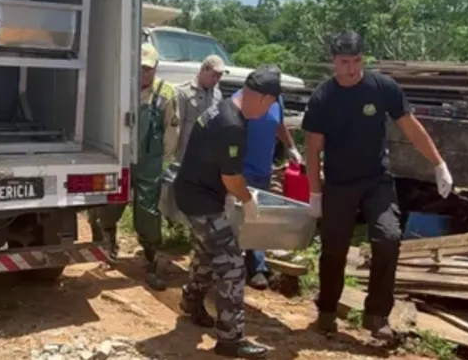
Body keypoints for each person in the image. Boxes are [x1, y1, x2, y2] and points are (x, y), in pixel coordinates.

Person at [301, 32, 453, 340]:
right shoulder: (323, 98)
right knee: (334, 249)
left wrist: (438, 164)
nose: (352, 68)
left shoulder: (382, 88)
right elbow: (312, 149)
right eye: (345, 62)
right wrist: (315, 192)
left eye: (357, 60)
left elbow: (411, 127)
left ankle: (377, 315)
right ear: (333, 61)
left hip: (376, 180)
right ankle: (327, 310)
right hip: (339, 183)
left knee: (388, 238)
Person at [172, 67, 281, 359]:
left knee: (208, 252)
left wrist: (236, 193)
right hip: (202, 201)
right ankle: (230, 340)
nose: (269, 110)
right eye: (271, 104)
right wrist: (248, 200)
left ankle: (191, 302)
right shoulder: (233, 125)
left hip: (191, 192)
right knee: (232, 265)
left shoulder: (221, 108)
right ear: (262, 97)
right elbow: (231, 179)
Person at [88, 43, 179, 291]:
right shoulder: (120, 89)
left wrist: (162, 157)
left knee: (148, 210)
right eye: (140, 68)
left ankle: (151, 258)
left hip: (150, 162)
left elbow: (172, 131)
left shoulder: (167, 93)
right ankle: (109, 245)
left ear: (156, 69)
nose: (144, 73)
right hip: (120, 159)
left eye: (148, 69)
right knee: (110, 203)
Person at [237, 65, 303, 290]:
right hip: (241, 170)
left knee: (258, 220)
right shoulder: (242, 100)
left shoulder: (276, 100)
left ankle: (257, 267)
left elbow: (279, 125)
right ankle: (232, 267)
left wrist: (291, 147)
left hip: (262, 170)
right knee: (239, 219)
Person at [174, 55, 226, 163]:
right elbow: (177, 127)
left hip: (208, 155)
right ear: (203, 70)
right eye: (214, 75)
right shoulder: (184, 92)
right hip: (186, 153)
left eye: (219, 76)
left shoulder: (217, 95)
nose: (216, 79)